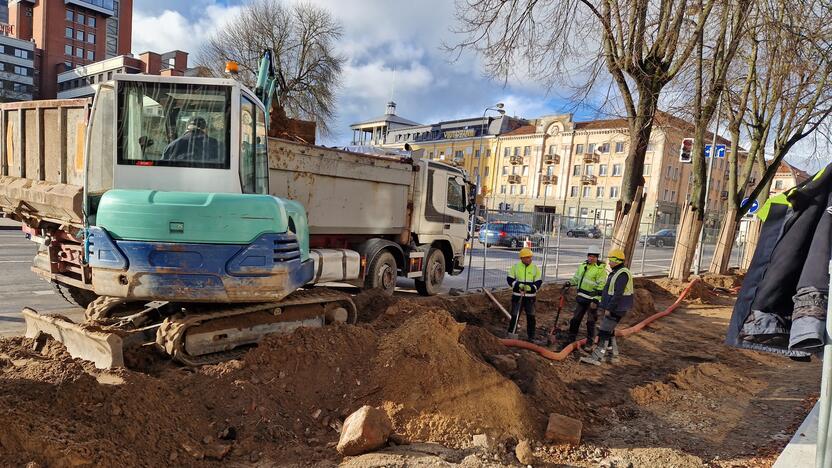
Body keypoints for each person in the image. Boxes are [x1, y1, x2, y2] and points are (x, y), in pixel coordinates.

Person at [580, 248, 633, 366]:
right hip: (614, 307)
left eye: (611, 260)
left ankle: (597, 358)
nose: (609, 262)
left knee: (604, 333)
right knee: (610, 331)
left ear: (617, 260)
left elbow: (618, 293)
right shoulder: (616, 272)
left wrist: (609, 308)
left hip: (616, 309)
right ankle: (614, 356)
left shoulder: (622, 274)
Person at [563, 246, 607, 352]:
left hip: (592, 301)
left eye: (593, 257)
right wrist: (570, 282)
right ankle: (571, 338)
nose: (591, 258)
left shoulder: (600, 270)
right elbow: (576, 278)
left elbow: (601, 287)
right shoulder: (583, 266)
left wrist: (596, 300)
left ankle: (590, 342)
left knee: (590, 322)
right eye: (589, 256)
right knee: (575, 320)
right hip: (582, 298)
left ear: (597, 257)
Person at [506, 248, 543, 341]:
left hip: (530, 298)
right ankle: (511, 333)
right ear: (522, 258)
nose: (529, 259)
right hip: (517, 296)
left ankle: (531, 336)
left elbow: (538, 281)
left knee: (531, 316)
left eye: (530, 257)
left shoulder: (535, 268)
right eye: (527, 257)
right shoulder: (516, 267)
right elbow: (510, 279)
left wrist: (531, 288)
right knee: (515, 315)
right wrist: (519, 285)